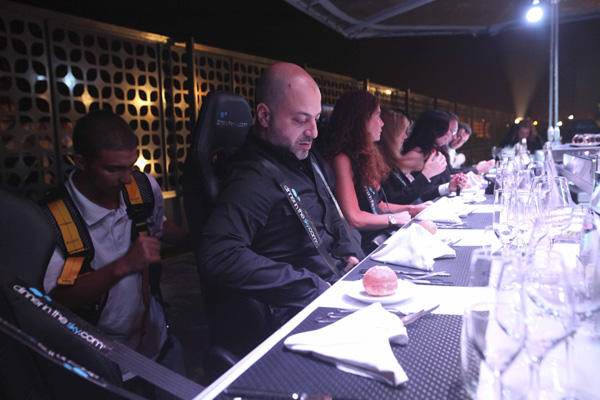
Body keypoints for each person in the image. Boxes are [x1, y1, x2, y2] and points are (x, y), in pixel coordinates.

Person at [196, 63, 362, 356]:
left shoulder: (301, 157)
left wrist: (348, 251)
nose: (313, 131)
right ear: (264, 115)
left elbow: (332, 210)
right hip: (300, 316)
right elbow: (218, 254)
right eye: (301, 120)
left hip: (338, 287)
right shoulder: (252, 178)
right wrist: (311, 286)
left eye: (316, 119)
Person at [42, 110, 189, 398]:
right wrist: (122, 266)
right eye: (113, 169)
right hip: (101, 357)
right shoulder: (52, 219)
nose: (126, 178)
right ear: (81, 162)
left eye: (131, 165)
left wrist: (197, 239)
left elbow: (159, 225)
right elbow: (55, 299)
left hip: (157, 342)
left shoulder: (143, 187)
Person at [319, 90, 431, 254]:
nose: (382, 123)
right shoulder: (342, 159)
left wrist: (410, 209)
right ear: (361, 121)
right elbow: (353, 219)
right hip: (365, 245)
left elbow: (376, 204)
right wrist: (393, 219)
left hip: (380, 236)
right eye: (378, 116)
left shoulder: (364, 155)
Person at [378, 108, 447, 205]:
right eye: (403, 131)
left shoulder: (391, 158)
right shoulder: (381, 161)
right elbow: (395, 200)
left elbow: (412, 192)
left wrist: (447, 187)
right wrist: (426, 175)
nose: (406, 136)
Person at [400, 109, 467, 200]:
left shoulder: (435, 150)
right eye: (445, 130)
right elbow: (414, 194)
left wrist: (453, 180)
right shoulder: (415, 154)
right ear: (432, 130)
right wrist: (446, 187)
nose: (451, 136)